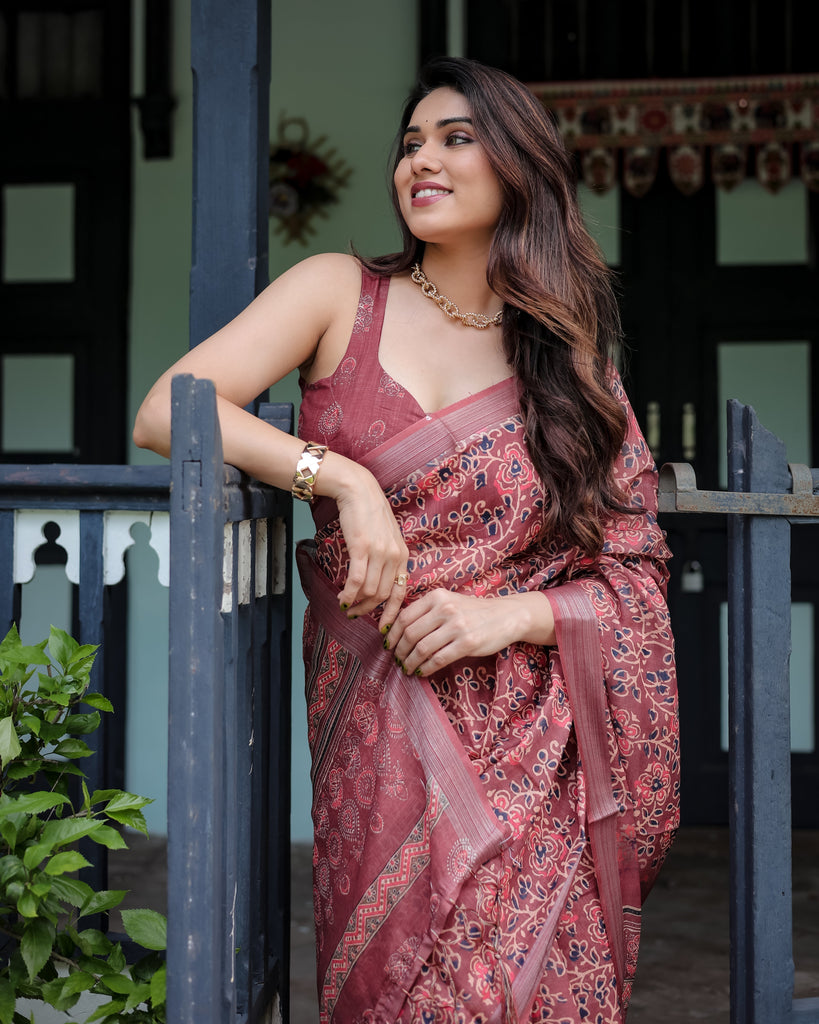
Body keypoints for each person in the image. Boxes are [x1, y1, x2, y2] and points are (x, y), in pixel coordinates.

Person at [134, 56, 679, 1024]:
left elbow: (631, 570)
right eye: (411, 143)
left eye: (456, 139)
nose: (420, 160)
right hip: (382, 719)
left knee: (534, 984)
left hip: (532, 736)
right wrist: (338, 477)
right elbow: (169, 411)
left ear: (519, 166)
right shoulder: (338, 289)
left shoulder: (564, 355)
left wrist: (510, 613)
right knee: (411, 988)